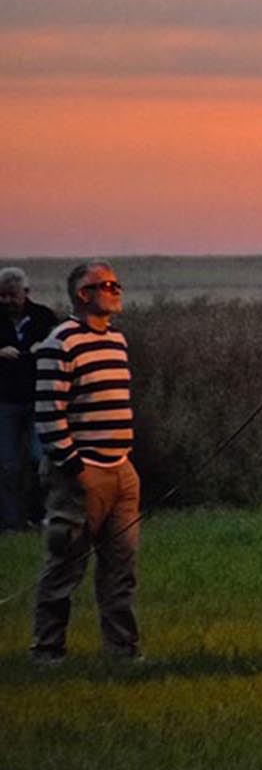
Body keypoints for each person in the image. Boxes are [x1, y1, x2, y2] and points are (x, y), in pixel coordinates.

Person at [31, 261, 141, 662]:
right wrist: (77, 469)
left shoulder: (117, 341)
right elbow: (49, 415)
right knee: (65, 565)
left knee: (121, 568)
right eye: (106, 285)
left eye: (116, 284)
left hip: (121, 468)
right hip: (80, 473)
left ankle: (122, 652)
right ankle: (48, 651)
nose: (116, 290)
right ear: (83, 294)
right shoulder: (60, 342)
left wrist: (124, 462)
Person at [1, 267, 57, 531]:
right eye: (2, 295)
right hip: (5, 401)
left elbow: (61, 347)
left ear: (26, 292)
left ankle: (41, 516)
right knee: (7, 465)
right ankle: (10, 523)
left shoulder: (44, 317)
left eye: (12, 295)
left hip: (39, 400)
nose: (6, 301)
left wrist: (43, 348)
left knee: (40, 460)